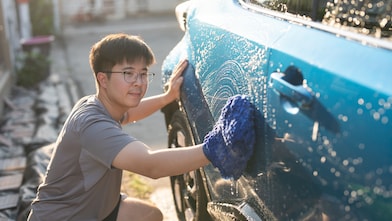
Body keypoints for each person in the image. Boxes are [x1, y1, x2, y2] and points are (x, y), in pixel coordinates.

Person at [27, 33, 255, 221]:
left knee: (149, 216)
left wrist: (167, 97)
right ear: (103, 79)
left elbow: (130, 113)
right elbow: (151, 165)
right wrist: (214, 149)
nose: (138, 82)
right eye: (128, 74)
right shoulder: (92, 125)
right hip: (62, 217)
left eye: (143, 74)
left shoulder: (98, 105)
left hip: (94, 209)